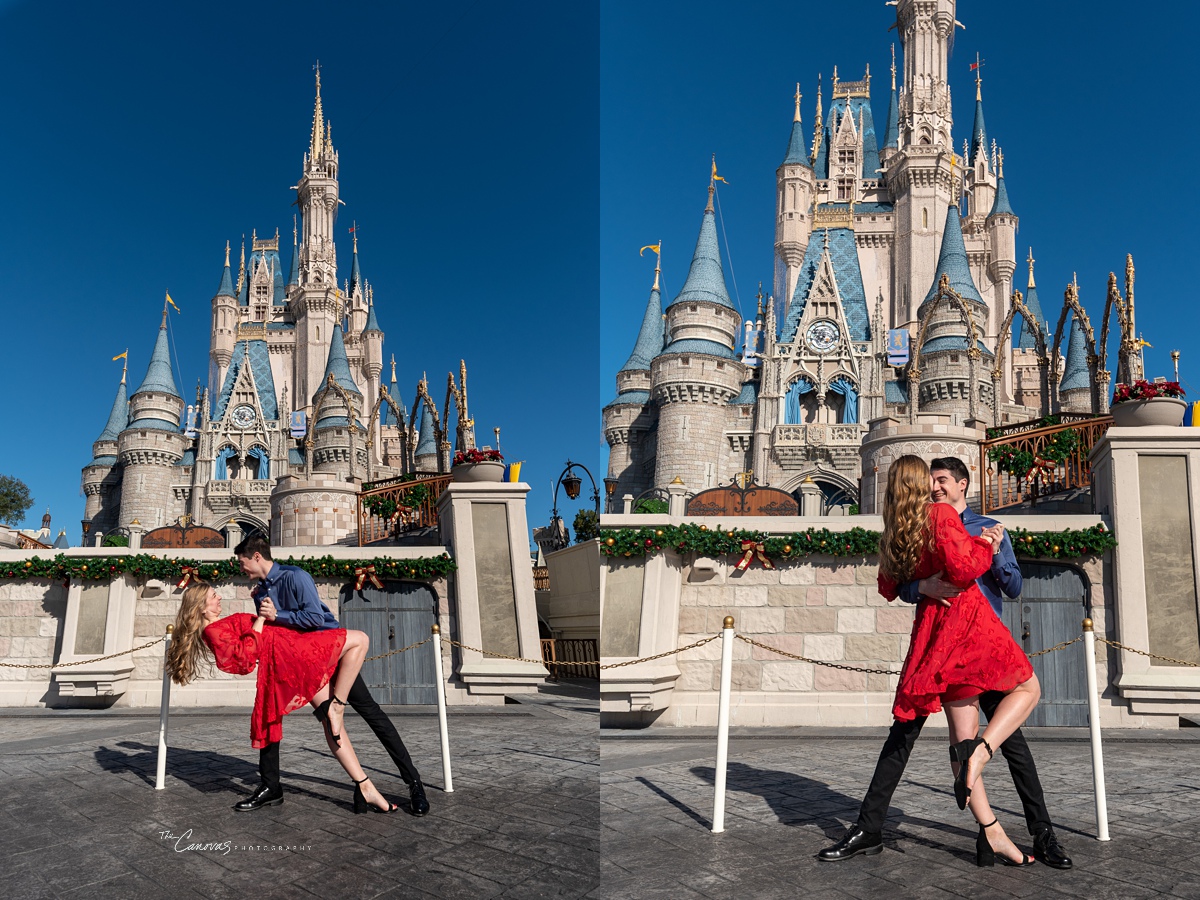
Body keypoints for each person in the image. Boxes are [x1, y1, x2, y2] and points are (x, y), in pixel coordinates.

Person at [819, 457, 1071, 868]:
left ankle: (1029, 834)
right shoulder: (935, 518)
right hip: (971, 636)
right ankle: (983, 826)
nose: (937, 487)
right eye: (930, 480)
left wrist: (995, 548)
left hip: (956, 640)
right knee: (961, 743)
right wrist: (968, 556)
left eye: (943, 480)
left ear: (961, 484)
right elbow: (947, 571)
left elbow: (1011, 585)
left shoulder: (915, 523)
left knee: (994, 749)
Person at [233, 534, 430, 816]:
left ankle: (415, 784)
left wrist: (279, 615)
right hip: (302, 661)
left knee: (371, 713)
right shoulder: (261, 590)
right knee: (287, 712)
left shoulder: (295, 577)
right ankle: (351, 786)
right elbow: (275, 630)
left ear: (256, 557)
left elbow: (314, 618)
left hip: (331, 653)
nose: (241, 569)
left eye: (242, 563)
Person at [166, 581, 400, 813]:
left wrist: (262, 606)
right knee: (359, 639)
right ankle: (339, 709)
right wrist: (259, 618)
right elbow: (245, 657)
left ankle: (362, 786)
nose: (219, 598)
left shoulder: (219, 624)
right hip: (289, 654)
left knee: (313, 721)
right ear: (202, 608)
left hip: (287, 651)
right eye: (213, 596)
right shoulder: (212, 631)